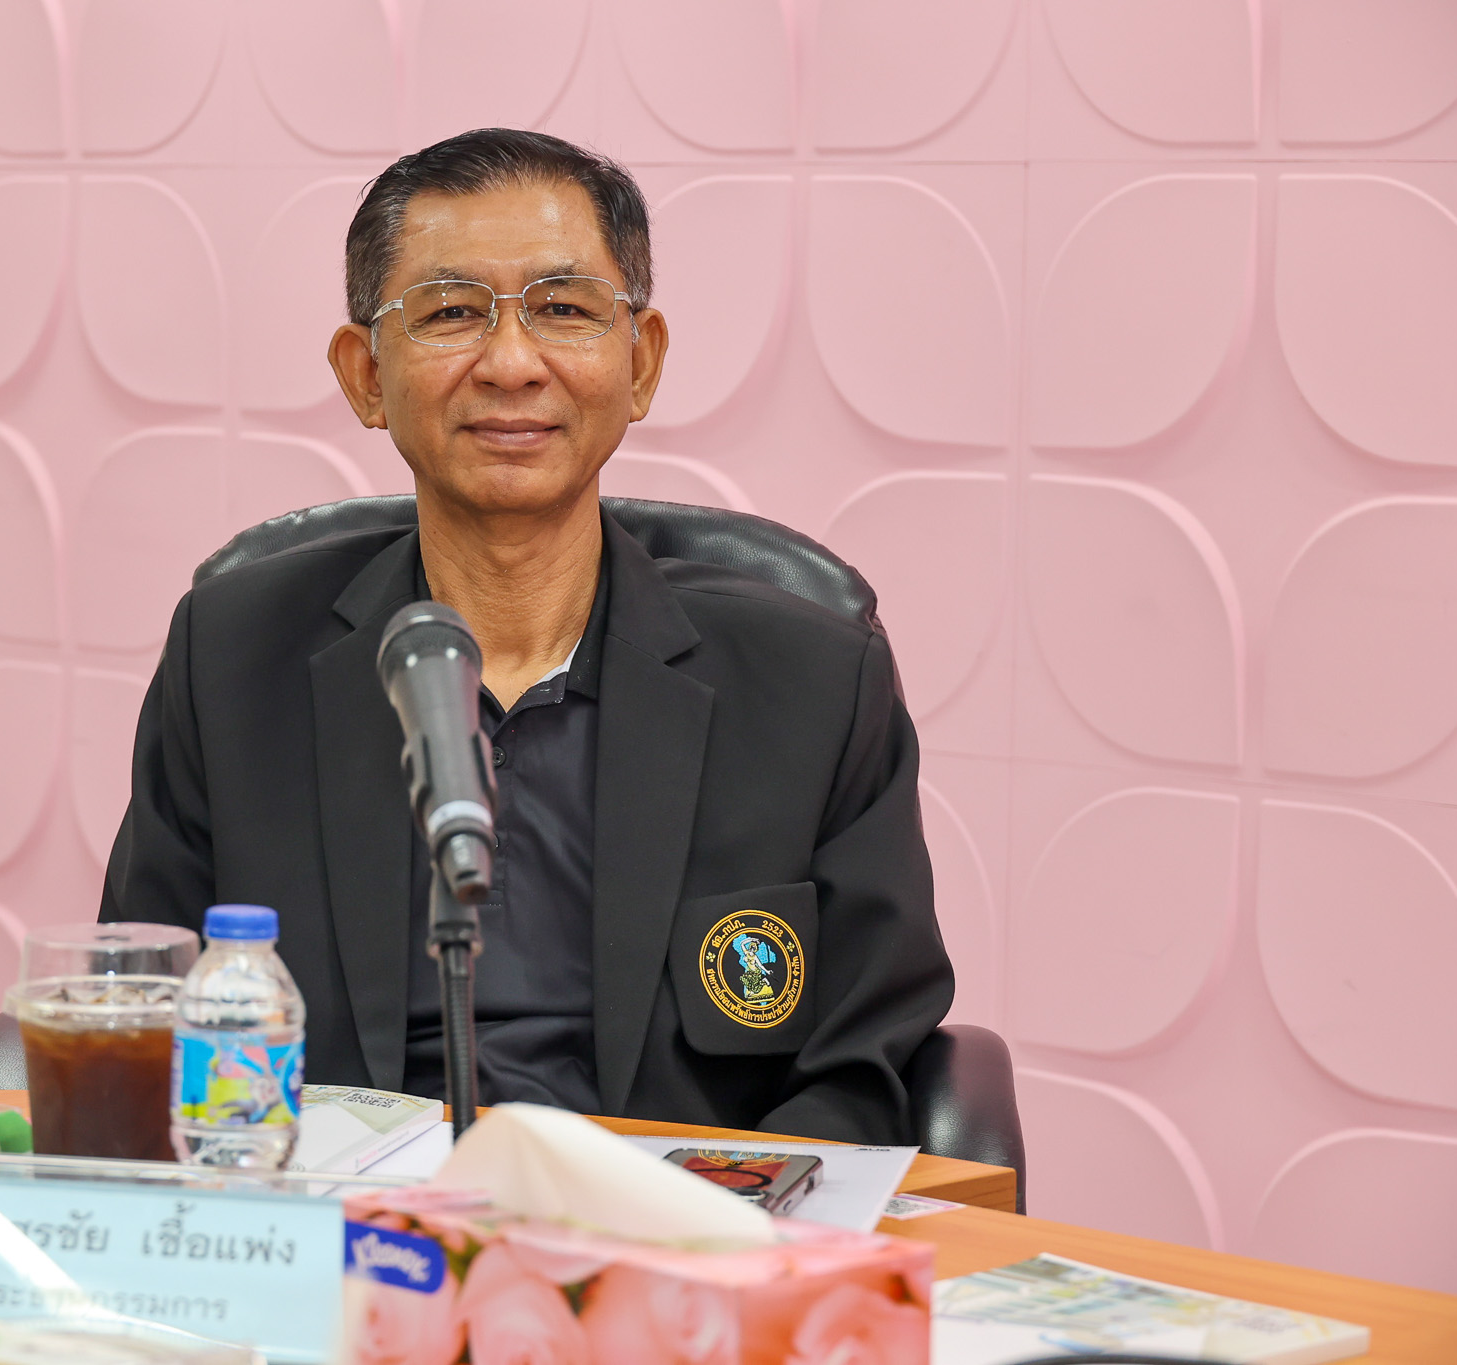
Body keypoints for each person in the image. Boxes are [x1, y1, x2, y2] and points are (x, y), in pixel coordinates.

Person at [101, 128, 953, 1144]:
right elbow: (146, 1012)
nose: (511, 364)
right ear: (364, 374)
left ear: (640, 363)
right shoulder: (233, 660)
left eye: (563, 310)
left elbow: (859, 1073)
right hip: (326, 1216)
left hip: (663, 1226)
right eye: (450, 312)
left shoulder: (813, 684)